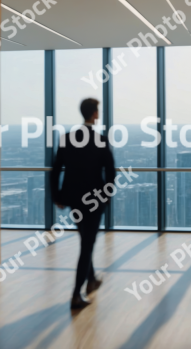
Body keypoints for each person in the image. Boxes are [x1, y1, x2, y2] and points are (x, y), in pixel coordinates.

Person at [50, 98, 116, 309]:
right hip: (95, 201)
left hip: (74, 200)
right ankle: (76, 294)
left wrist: (57, 196)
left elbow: (55, 171)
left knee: (85, 241)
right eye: (98, 112)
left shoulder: (66, 138)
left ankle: (92, 280)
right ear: (94, 114)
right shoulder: (101, 140)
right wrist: (105, 197)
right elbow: (111, 174)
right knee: (87, 245)